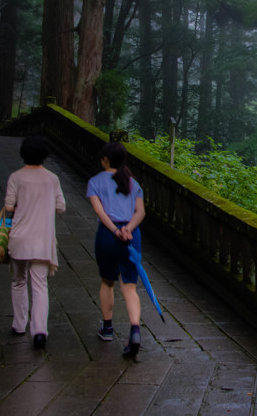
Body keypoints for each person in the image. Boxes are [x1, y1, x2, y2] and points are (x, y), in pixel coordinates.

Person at [4, 136, 66, 349]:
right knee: (40, 285)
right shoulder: (52, 179)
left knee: (19, 281)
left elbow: (9, 207)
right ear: (44, 156)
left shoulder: (16, 177)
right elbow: (61, 207)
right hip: (42, 239)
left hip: (19, 238)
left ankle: (19, 324)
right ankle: (39, 331)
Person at [86, 141, 146, 358]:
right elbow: (140, 213)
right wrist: (128, 229)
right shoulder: (133, 183)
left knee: (107, 281)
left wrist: (115, 230)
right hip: (132, 236)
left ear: (105, 159)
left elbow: (99, 211)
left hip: (107, 235)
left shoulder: (95, 182)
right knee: (129, 287)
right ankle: (135, 330)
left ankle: (108, 328)